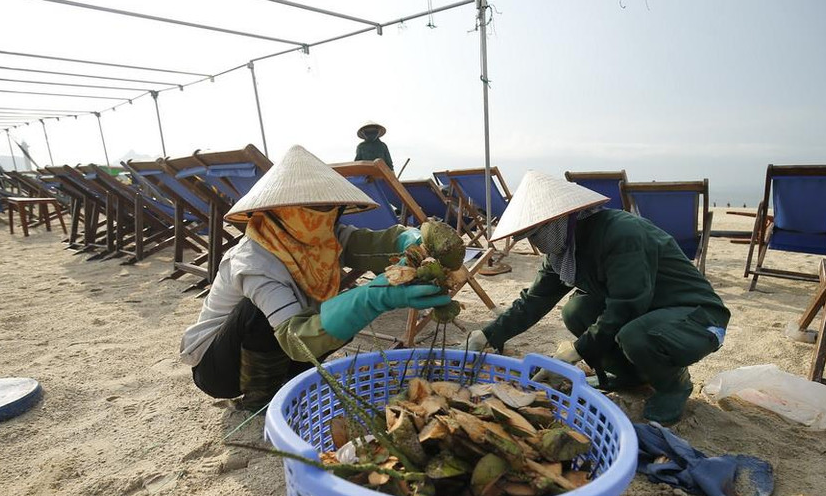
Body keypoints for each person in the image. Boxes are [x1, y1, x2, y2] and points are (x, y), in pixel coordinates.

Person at [179, 145, 449, 409]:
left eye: (328, 208)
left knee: (338, 317)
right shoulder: (253, 261)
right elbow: (295, 335)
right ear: (281, 212)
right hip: (220, 368)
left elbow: (369, 245)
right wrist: (372, 297)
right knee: (256, 312)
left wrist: (410, 241)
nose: (323, 219)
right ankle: (261, 396)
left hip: (283, 349)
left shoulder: (324, 237)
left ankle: (286, 378)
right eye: (312, 210)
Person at [465, 171, 730, 425]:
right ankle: (629, 376)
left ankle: (675, 386)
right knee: (576, 310)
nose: (536, 244)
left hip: (696, 317)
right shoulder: (563, 252)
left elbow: (626, 305)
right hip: (649, 311)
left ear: (557, 220)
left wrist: (577, 351)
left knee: (635, 336)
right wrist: (489, 335)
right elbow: (534, 301)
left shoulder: (620, 234)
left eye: (535, 235)